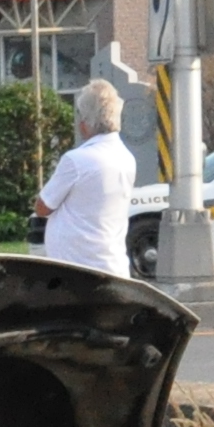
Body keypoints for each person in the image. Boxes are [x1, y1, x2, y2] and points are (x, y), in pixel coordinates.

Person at [29, 78, 136, 280]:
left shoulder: (76, 160)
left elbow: (42, 207)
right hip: (113, 264)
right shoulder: (127, 158)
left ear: (85, 122)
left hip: (78, 268)